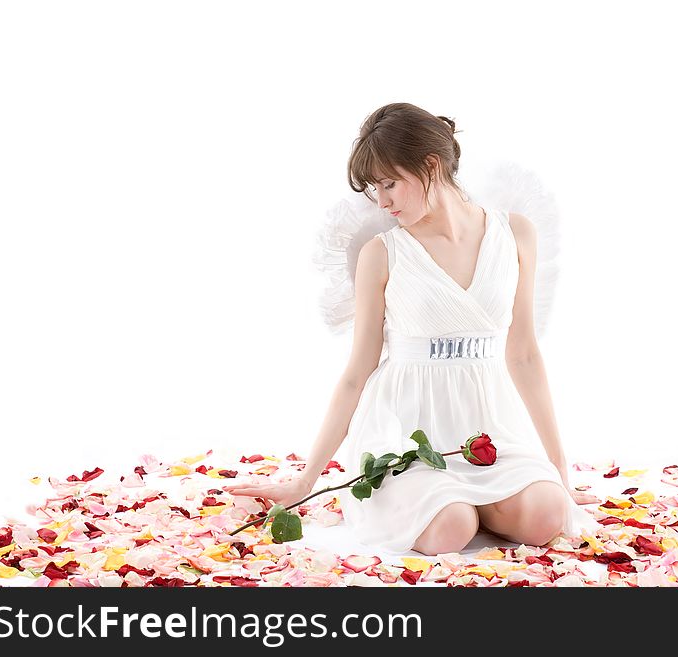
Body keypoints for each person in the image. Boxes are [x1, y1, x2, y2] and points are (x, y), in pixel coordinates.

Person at [225, 102, 600, 555]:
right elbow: (356, 372)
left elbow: (523, 355)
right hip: (404, 429)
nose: (381, 201)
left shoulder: (515, 233)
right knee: (450, 526)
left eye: (389, 184)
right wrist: (306, 480)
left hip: (488, 431)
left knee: (548, 515)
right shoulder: (383, 253)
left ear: (430, 166)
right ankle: (454, 505)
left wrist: (559, 473)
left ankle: (488, 499)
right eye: (374, 189)